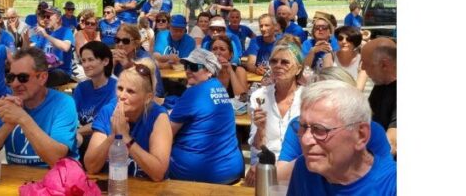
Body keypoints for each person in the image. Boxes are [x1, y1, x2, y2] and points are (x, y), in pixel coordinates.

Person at [277, 67, 392, 182]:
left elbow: (385, 176)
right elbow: (280, 175)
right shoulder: (300, 126)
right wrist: (315, 155)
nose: (306, 139)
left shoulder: (371, 130)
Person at [0, 48, 79, 167]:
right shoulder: (9, 106)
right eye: (11, 77)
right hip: (17, 177)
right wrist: (8, 125)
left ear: (42, 78)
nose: (15, 84)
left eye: (23, 77)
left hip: (55, 177)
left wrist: (22, 118)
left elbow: (57, 159)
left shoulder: (63, 103)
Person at [84, 59, 172, 181]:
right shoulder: (108, 111)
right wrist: (113, 136)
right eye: (120, 88)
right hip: (114, 186)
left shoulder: (158, 117)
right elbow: (91, 167)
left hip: (147, 188)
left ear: (148, 97)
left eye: (130, 91)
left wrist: (126, 138)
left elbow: (158, 174)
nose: (122, 96)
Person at [169, 48, 244, 184]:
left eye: (194, 67)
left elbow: (167, 133)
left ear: (209, 71)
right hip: (231, 169)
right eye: (186, 66)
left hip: (198, 173)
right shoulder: (220, 88)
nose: (188, 70)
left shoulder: (193, 93)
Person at [245, 42, 304, 186]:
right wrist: (260, 129)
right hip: (265, 162)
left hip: (297, 164)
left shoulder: (308, 98)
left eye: (285, 62)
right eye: (274, 61)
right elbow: (257, 146)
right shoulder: (260, 96)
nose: (278, 65)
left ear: (298, 69)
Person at [72, 41, 117, 159]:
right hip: (80, 137)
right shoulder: (81, 88)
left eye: (91, 60)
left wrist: (77, 132)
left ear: (105, 61)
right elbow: (71, 115)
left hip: (104, 139)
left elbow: (105, 122)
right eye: (83, 61)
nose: (86, 65)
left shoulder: (117, 88)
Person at [360, 38, 397, 156]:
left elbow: (392, 143)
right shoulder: (381, 84)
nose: (362, 68)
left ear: (384, 65)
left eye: (366, 63)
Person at [111, 24, 166, 99]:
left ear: (136, 43)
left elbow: (157, 92)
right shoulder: (112, 58)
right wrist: (111, 66)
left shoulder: (146, 60)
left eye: (125, 41)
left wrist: (128, 67)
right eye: (117, 40)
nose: (120, 44)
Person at [34, 7, 75, 87]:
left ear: (58, 19)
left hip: (62, 71)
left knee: (47, 77)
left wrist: (46, 35)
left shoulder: (66, 31)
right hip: (46, 70)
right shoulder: (45, 32)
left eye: (48, 17)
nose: (45, 19)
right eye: (44, 17)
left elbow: (65, 47)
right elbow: (35, 52)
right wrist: (25, 39)